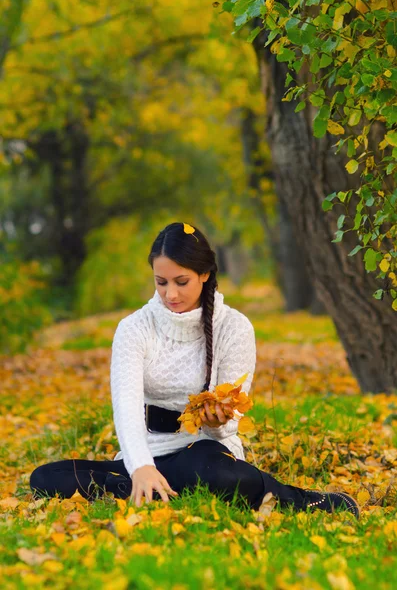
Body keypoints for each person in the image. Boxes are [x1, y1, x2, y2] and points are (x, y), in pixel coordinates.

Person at [30, 222, 359, 518]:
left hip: (205, 453)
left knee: (215, 473)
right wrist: (141, 466)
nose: (170, 294)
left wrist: (218, 423)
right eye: (161, 282)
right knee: (45, 477)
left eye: (181, 281)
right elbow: (126, 407)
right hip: (148, 453)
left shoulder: (234, 327)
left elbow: (230, 422)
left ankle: (299, 500)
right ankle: (152, 487)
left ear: (204, 274)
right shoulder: (134, 328)